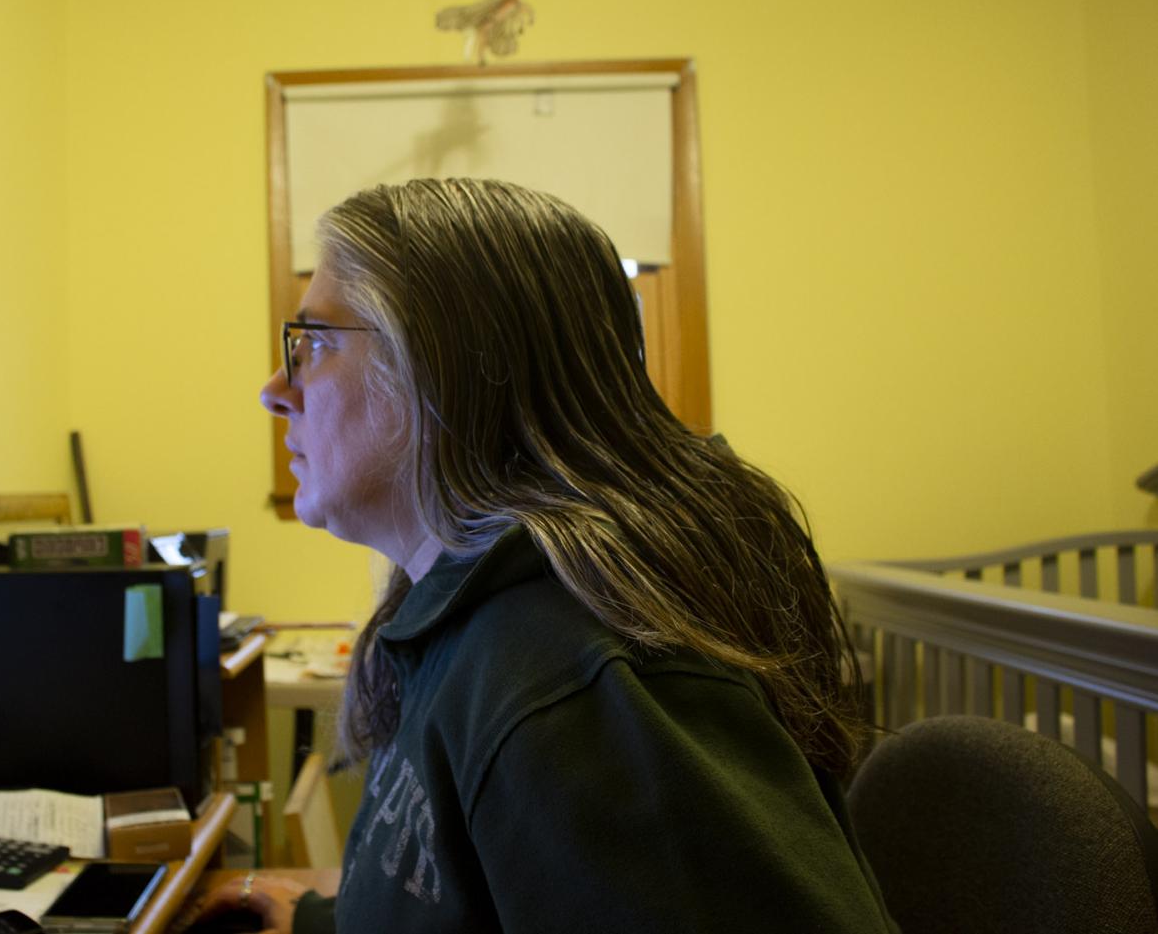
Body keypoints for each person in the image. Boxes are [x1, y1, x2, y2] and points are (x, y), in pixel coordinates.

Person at [184, 178, 896, 933]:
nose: (273, 389)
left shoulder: (581, 684)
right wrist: (323, 921)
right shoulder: (464, 621)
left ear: (442, 367)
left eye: (314, 343)